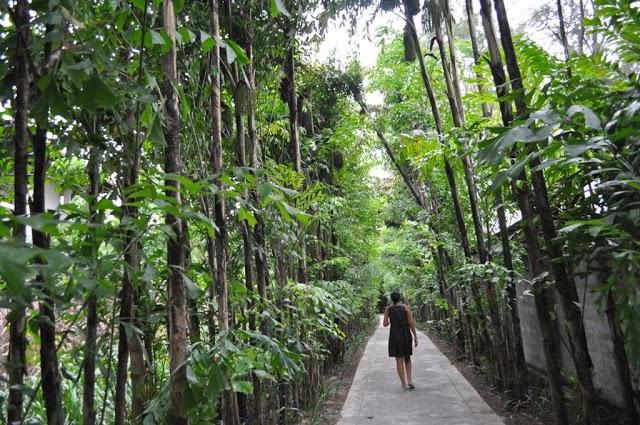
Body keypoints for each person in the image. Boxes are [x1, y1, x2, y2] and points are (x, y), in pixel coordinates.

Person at [383, 290, 418, 390]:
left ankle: (403, 384)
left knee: (399, 359)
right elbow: (411, 323)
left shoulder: (388, 309)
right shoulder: (405, 308)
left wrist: (391, 321)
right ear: (399, 298)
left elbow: (385, 324)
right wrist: (415, 336)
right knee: (407, 358)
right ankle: (410, 380)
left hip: (395, 336)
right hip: (406, 334)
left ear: (392, 299)